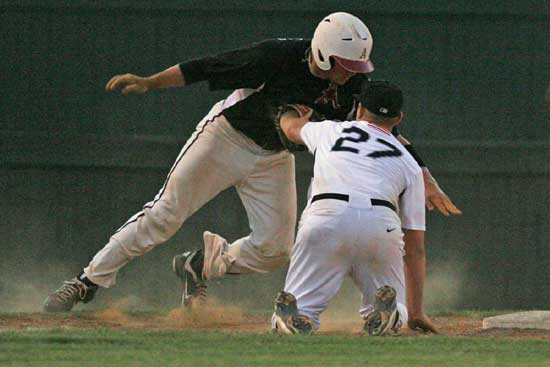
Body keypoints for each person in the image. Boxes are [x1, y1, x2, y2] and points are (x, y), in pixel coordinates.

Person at [43, 12, 459, 315]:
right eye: (347, 66)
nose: (353, 76)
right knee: (164, 215)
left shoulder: (356, 85)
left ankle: (199, 265)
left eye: (357, 68)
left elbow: (385, 131)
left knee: (276, 250)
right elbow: (207, 67)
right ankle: (86, 282)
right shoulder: (276, 57)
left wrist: (426, 177)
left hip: (274, 157)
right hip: (227, 138)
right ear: (322, 53)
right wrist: (152, 82)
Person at [271, 80, 437, 335]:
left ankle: (294, 317)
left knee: (299, 309)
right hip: (380, 224)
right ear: (398, 118)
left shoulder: (330, 131)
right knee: (397, 309)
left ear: (359, 109)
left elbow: (292, 128)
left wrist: (287, 113)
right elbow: (415, 249)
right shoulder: (410, 164)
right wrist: (415, 313)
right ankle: (392, 314)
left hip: (326, 217)